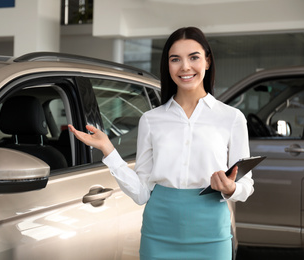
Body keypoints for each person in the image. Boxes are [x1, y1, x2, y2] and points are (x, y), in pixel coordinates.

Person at [68, 27, 254, 260]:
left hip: (211, 235)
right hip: (159, 234)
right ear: (168, 65)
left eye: (193, 57)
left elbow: (246, 185)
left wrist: (231, 188)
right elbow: (141, 193)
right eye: (175, 59)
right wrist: (108, 149)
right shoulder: (151, 120)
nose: (185, 67)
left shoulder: (231, 118)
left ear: (207, 61)